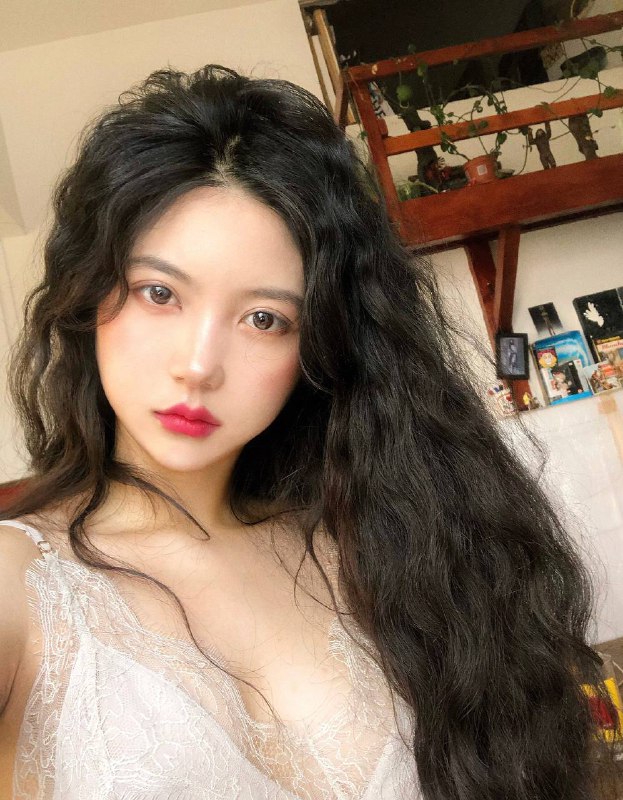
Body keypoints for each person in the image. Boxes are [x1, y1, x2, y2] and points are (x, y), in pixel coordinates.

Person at [0, 65, 615, 800]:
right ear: (88, 295)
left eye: (264, 318)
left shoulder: (381, 554)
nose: (199, 365)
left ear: (318, 346)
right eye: (159, 293)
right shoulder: (19, 582)